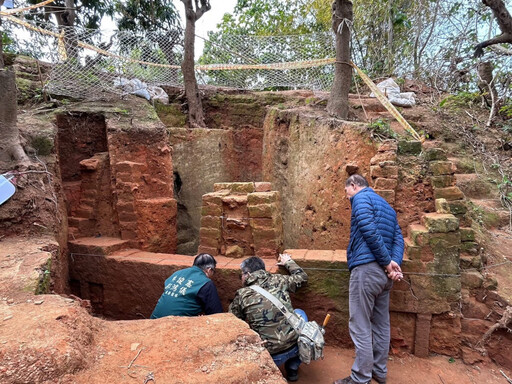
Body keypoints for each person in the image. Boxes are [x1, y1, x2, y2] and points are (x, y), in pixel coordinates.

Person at [333, 174, 404, 384]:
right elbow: (398, 238)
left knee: (360, 324)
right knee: (381, 324)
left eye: (347, 193)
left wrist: (385, 262)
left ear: (354, 186)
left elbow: (366, 226)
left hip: (366, 271)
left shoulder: (361, 198)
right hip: (384, 277)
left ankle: (360, 378)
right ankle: (379, 372)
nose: (348, 199)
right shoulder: (387, 207)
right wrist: (393, 265)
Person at [229, 254, 308, 382]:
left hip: (271, 356)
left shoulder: (242, 295)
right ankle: (292, 367)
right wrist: (288, 262)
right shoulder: (279, 279)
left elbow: (233, 321)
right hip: (296, 346)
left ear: (247, 274)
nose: (241, 278)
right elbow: (302, 278)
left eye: (241, 275)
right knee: (300, 313)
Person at [151, 253, 223, 318]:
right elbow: (216, 314)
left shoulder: (177, 274)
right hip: (174, 326)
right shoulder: (206, 283)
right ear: (209, 270)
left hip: (152, 321)